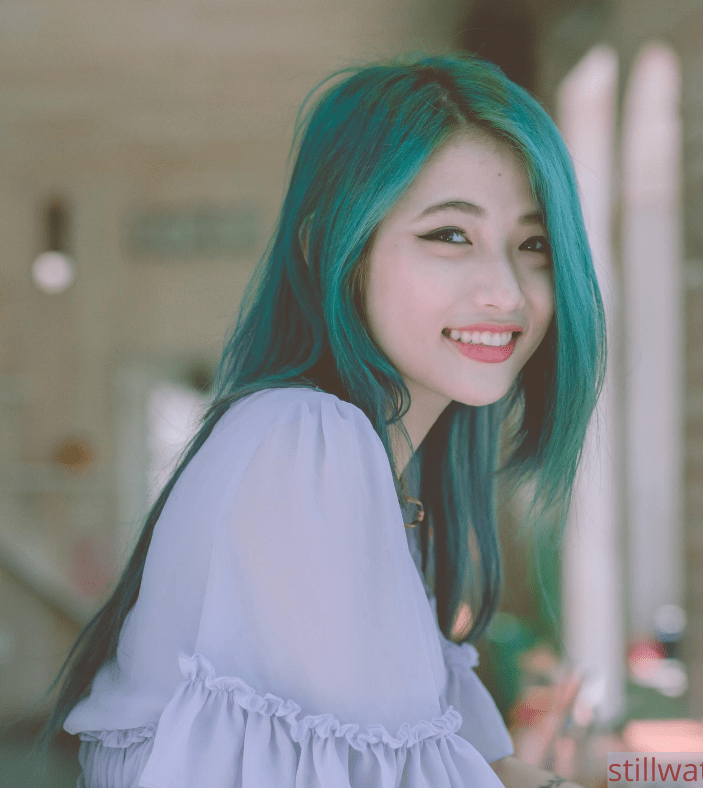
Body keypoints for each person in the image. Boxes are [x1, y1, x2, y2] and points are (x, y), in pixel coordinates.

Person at [33, 51, 606, 787]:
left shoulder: (382, 473)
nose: (506, 291)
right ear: (335, 249)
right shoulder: (305, 446)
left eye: (534, 245)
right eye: (450, 235)